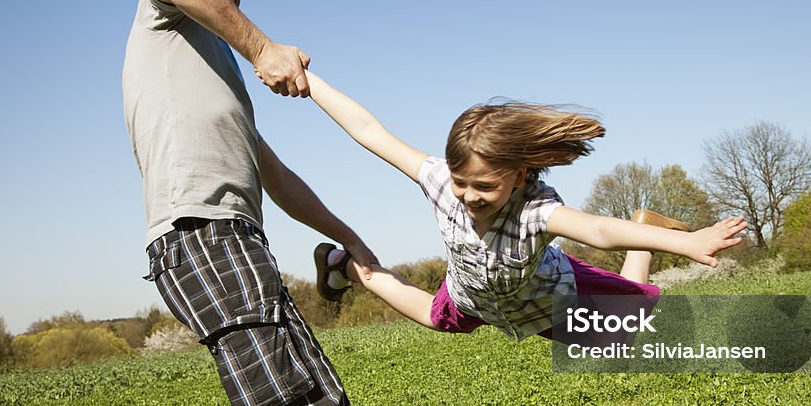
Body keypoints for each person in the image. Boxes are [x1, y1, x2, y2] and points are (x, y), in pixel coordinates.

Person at [123, 0, 487, 406]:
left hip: (233, 237)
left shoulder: (213, 70)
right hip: (202, 233)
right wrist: (263, 47)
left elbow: (278, 176)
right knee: (297, 396)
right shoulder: (165, 14)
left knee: (287, 396)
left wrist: (347, 237)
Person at [304, 72, 748, 340]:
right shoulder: (439, 178)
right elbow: (369, 130)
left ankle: (646, 235)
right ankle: (344, 265)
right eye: (461, 183)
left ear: (517, 176)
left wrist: (688, 242)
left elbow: (596, 231)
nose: (469, 196)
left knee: (626, 326)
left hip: (542, 298)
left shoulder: (536, 211)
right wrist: (310, 83)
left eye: (485, 186)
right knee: (430, 315)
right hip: (472, 296)